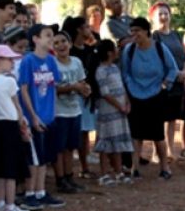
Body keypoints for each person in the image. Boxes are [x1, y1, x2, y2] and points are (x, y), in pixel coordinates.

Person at [121, 17, 177, 180]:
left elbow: (172, 69)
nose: (134, 34)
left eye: (137, 31)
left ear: (146, 31)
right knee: (136, 134)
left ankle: (164, 168)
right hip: (135, 95)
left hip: (156, 96)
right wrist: (129, 90)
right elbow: (125, 73)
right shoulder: (129, 50)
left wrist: (164, 85)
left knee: (157, 134)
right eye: (132, 31)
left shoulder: (160, 48)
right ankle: (134, 169)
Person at [17, 24, 66, 210]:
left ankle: (41, 191)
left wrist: (52, 112)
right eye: (47, 35)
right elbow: (24, 90)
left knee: (44, 156)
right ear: (35, 39)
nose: (51, 39)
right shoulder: (28, 61)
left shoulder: (52, 61)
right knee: (34, 158)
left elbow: (53, 87)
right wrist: (33, 116)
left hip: (48, 116)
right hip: (33, 117)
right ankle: (30, 193)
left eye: (51, 35)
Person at [0, 45, 32, 211]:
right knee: (11, 168)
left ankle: (0, 204)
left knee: (0, 168)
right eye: (8, 59)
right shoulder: (9, 81)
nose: (12, 63)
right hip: (9, 126)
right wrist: (23, 124)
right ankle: (10, 207)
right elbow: (16, 105)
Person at [149, 1, 185, 158]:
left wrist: (183, 72)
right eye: (160, 14)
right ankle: (156, 152)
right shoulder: (154, 36)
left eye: (166, 13)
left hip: (179, 81)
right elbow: (155, 58)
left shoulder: (176, 35)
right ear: (153, 17)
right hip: (163, 82)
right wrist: (170, 75)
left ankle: (171, 150)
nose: (164, 17)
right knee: (159, 117)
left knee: (172, 118)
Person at [91, 40, 133, 186]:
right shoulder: (100, 71)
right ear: (109, 52)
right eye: (115, 49)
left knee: (118, 143)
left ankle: (119, 171)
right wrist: (119, 105)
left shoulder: (115, 68)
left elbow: (122, 86)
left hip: (120, 110)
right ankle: (104, 174)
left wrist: (126, 102)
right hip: (108, 111)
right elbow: (105, 93)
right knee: (106, 142)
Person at [52, 31, 89, 194]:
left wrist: (85, 89)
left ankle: (69, 177)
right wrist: (72, 87)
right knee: (59, 148)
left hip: (75, 110)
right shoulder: (52, 64)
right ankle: (60, 179)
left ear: (70, 44)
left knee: (70, 147)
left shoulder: (76, 62)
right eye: (56, 43)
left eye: (63, 41)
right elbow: (52, 89)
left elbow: (82, 82)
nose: (61, 45)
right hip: (59, 112)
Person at [64, 16, 98, 180]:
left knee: (84, 133)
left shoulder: (90, 50)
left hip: (87, 97)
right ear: (78, 29)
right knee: (73, 134)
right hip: (70, 97)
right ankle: (67, 170)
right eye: (85, 27)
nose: (89, 29)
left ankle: (84, 167)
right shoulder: (69, 52)